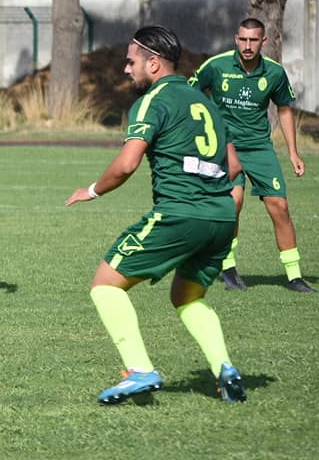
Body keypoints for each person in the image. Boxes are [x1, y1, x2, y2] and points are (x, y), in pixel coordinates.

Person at [66, 25, 247, 405]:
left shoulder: (152, 101)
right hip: (221, 216)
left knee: (104, 284)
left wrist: (93, 190)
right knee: (187, 297)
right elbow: (233, 165)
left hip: (181, 213)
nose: (126, 70)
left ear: (153, 63)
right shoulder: (203, 101)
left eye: (131, 62)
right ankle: (224, 368)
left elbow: (127, 164)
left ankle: (139, 369)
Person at [188, 18, 314, 292]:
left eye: (253, 40)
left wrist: (293, 152)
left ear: (263, 42)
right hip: (225, 148)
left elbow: (284, 109)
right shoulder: (217, 65)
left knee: (279, 206)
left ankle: (294, 276)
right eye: (243, 40)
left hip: (259, 148)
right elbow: (190, 94)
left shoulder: (274, 72)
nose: (247, 46)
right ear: (236, 39)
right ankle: (228, 269)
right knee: (233, 203)